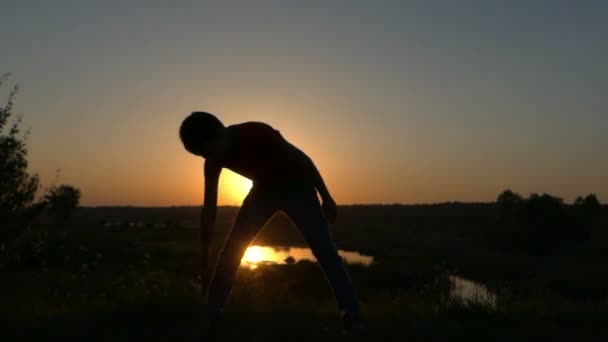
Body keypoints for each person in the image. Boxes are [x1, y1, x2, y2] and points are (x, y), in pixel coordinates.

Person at [179, 111, 360, 333]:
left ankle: (352, 316)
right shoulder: (212, 160)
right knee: (231, 252)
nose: (207, 158)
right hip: (263, 191)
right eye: (201, 155)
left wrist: (327, 197)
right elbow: (209, 210)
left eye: (205, 151)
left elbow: (302, 159)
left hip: (298, 188)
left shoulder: (257, 132)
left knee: (326, 251)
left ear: (217, 135)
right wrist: (204, 258)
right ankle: (212, 316)